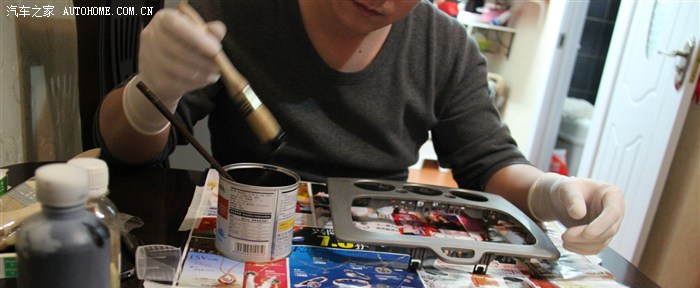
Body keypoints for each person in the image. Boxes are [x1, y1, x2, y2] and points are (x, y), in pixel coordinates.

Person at [96, 0, 624, 256]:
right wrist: (151, 97)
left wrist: (552, 191)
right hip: (246, 244)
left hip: (378, 257)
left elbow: (489, 164)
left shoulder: (443, 48)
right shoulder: (236, 9)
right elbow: (124, 150)